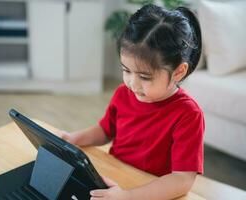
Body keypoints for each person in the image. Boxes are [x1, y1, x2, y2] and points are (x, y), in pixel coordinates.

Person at [56, 4, 204, 200]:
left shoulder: (188, 114)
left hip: (148, 192)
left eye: (144, 76)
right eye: (126, 70)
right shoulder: (124, 93)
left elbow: (182, 181)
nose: (132, 84)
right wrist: (73, 139)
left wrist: (128, 196)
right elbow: (105, 131)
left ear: (178, 71)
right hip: (116, 180)